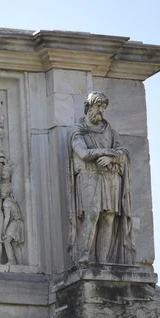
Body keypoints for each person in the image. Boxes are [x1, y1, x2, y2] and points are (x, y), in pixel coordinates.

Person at [68, 91, 135, 264]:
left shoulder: (110, 131)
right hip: (88, 176)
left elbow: (124, 153)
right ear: (88, 107)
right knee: (91, 215)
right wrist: (107, 151)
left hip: (110, 178)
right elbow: (82, 153)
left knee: (109, 217)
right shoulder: (78, 130)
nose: (101, 111)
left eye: (103, 107)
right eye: (98, 106)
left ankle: (103, 261)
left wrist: (111, 158)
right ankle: (83, 255)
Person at [1, 184, 24, 265]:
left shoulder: (6, 202)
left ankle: (12, 260)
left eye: (3, 191)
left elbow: (7, 217)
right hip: (20, 223)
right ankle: (20, 262)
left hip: (14, 223)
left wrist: (3, 230)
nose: (1, 193)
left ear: (6, 192)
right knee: (14, 243)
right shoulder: (12, 200)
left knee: (6, 240)